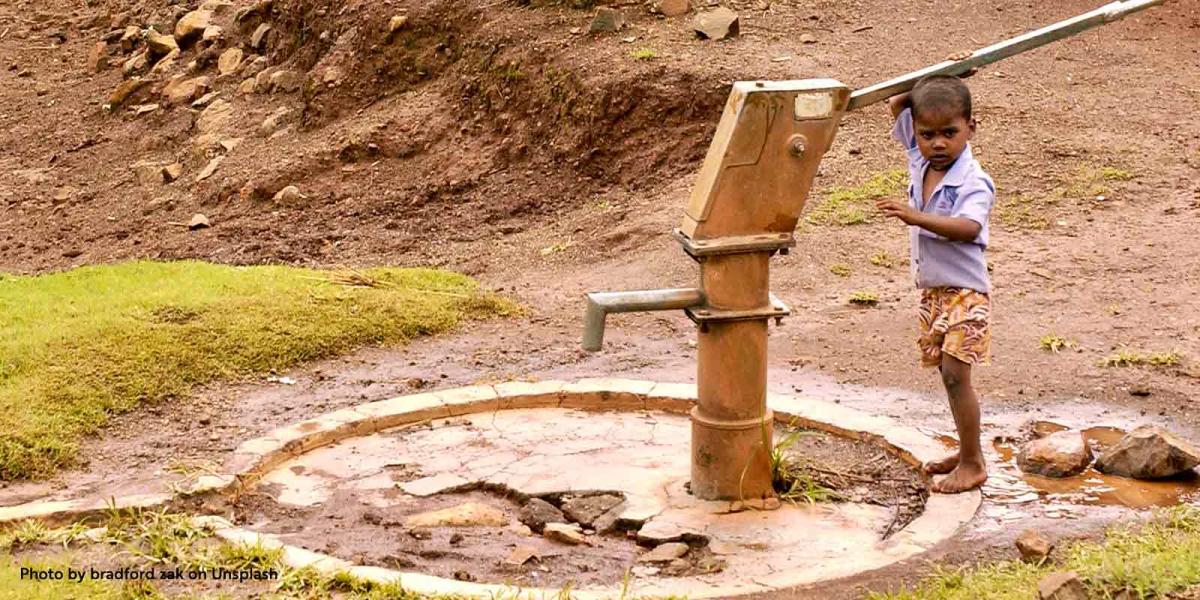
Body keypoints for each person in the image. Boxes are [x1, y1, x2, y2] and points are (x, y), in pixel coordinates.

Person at [875, 73, 994, 494]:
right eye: (928, 134)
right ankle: (965, 452)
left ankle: (974, 463)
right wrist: (939, 81)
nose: (938, 143)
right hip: (934, 292)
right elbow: (896, 104)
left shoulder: (973, 180)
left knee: (957, 377)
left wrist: (915, 216)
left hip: (966, 293)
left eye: (950, 132)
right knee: (947, 376)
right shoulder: (920, 159)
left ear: (971, 128)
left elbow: (967, 226)